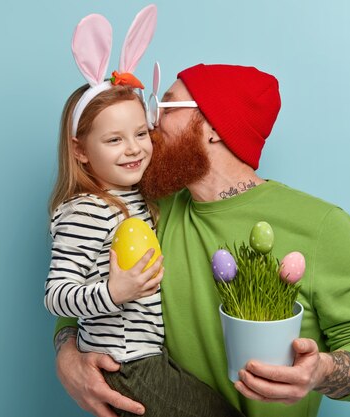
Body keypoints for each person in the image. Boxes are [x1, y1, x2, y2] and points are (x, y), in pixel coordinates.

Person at [54, 63, 350, 417]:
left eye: (164, 108)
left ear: (214, 128)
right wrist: (68, 357)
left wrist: (321, 370)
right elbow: (87, 274)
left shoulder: (323, 226)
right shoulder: (150, 210)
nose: (150, 124)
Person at [46, 8, 243, 417]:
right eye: (114, 139)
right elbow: (56, 296)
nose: (134, 148)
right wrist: (114, 293)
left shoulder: (136, 196)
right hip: (126, 364)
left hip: (149, 354)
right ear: (80, 151)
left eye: (141, 133)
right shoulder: (86, 210)